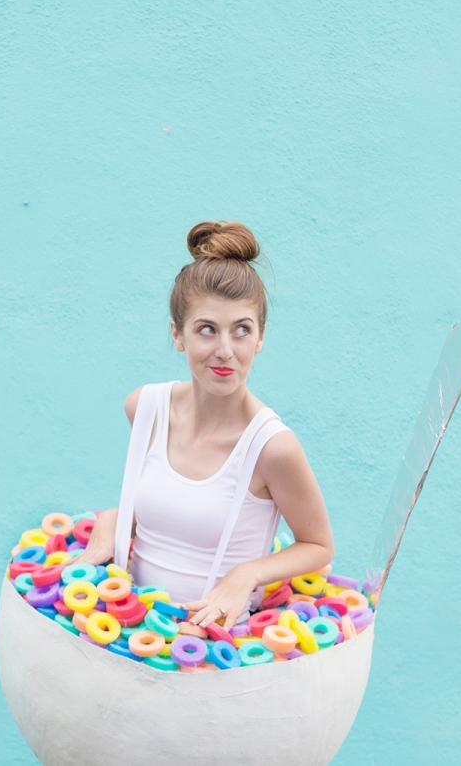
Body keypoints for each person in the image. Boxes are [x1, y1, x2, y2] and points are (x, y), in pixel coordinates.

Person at [78, 220, 334, 631]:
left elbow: (319, 545)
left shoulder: (271, 447)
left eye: (242, 331)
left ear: (260, 338)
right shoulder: (145, 407)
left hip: (214, 649)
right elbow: (168, 507)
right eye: (206, 330)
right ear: (178, 335)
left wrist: (245, 574)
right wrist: (115, 520)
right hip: (129, 633)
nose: (224, 351)